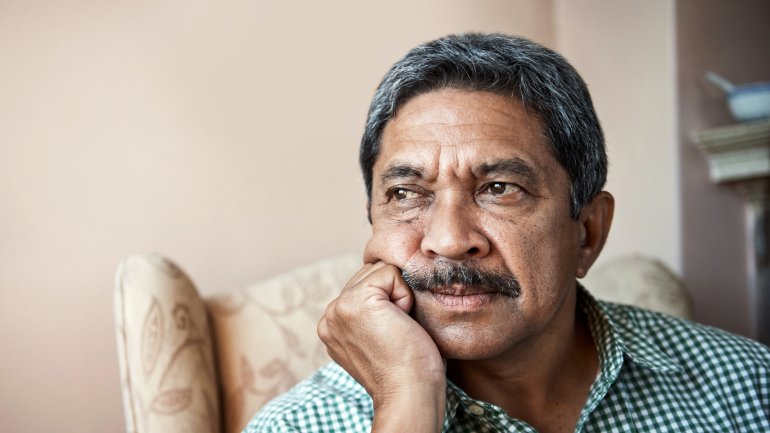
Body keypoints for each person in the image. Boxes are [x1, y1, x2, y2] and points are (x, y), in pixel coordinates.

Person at [243, 33, 770, 433]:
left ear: (588, 233)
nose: (449, 240)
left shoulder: (748, 386)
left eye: (499, 188)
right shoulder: (296, 426)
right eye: (406, 194)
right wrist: (406, 397)